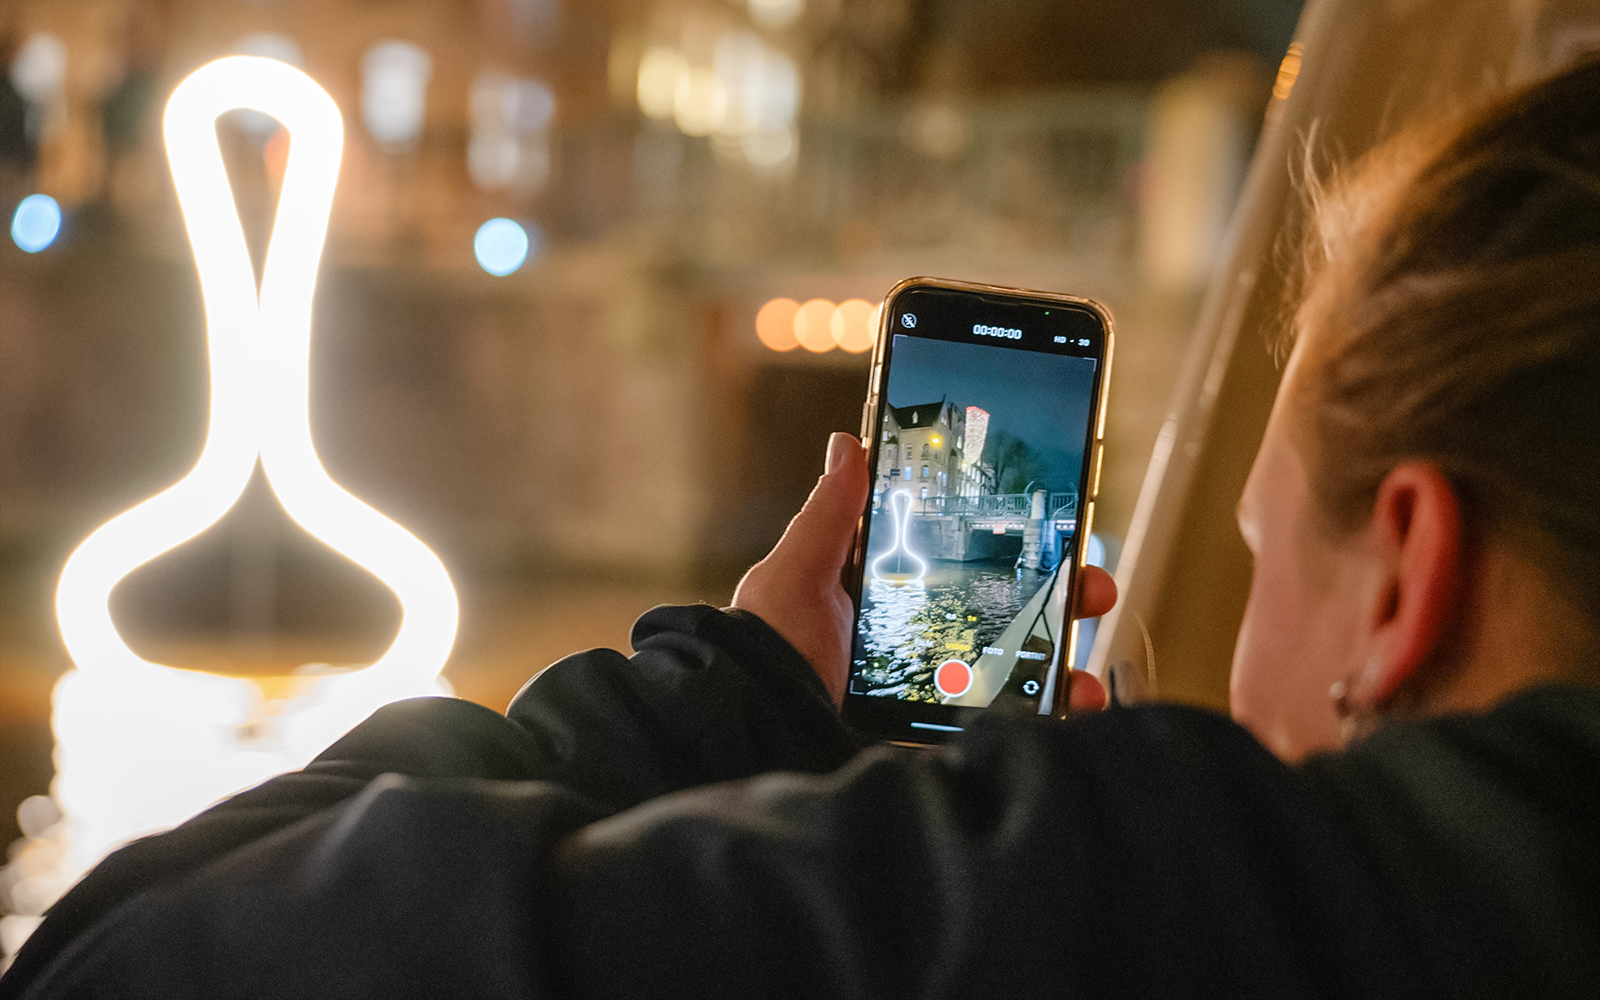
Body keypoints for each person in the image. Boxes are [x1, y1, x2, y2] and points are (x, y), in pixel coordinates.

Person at [5, 58, 1600, 1000]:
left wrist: (735, 683)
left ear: (1405, 574)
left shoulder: (1209, 891)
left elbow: (123, 966)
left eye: (1262, 550)